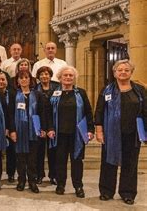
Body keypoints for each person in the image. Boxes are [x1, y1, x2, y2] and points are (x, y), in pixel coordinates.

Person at [95, 60, 146, 205]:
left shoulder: (140, 90)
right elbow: (99, 111)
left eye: (126, 70)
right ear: (114, 72)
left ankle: (127, 193)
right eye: (120, 70)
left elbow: (145, 111)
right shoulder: (106, 90)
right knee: (108, 162)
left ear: (131, 72)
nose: (123, 72)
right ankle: (106, 191)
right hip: (111, 133)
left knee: (130, 164)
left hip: (132, 133)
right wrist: (99, 131)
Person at [47, 66, 93, 198]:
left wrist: (90, 129)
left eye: (70, 76)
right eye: (65, 75)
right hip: (59, 134)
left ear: (74, 78)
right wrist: (50, 128)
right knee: (60, 160)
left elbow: (88, 112)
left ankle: (78, 186)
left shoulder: (81, 93)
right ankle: (60, 185)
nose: (68, 78)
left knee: (77, 161)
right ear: (60, 78)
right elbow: (48, 113)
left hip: (77, 134)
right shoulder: (53, 93)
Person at [9, 70, 46, 193]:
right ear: (18, 81)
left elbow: (42, 113)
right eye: (21, 78)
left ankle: (32, 182)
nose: (24, 80)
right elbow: (10, 115)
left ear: (30, 80)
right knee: (20, 158)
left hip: (34, 131)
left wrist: (42, 129)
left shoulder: (38, 95)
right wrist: (12, 131)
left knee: (32, 159)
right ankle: (21, 181)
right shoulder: (14, 95)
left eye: (26, 77)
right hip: (19, 131)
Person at [34, 66, 59, 185]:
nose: (44, 76)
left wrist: (51, 128)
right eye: (42, 74)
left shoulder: (57, 88)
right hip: (39, 123)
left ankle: (53, 175)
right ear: (38, 76)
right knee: (39, 152)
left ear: (50, 75)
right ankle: (39, 174)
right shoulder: (34, 89)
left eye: (47, 74)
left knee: (53, 152)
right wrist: (40, 128)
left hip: (54, 123)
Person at [0, 71, 17, 183]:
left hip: (11, 126)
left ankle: (11, 174)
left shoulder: (13, 94)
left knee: (11, 152)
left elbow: (12, 113)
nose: (1, 82)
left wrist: (9, 128)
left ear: (7, 81)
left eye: (3, 79)